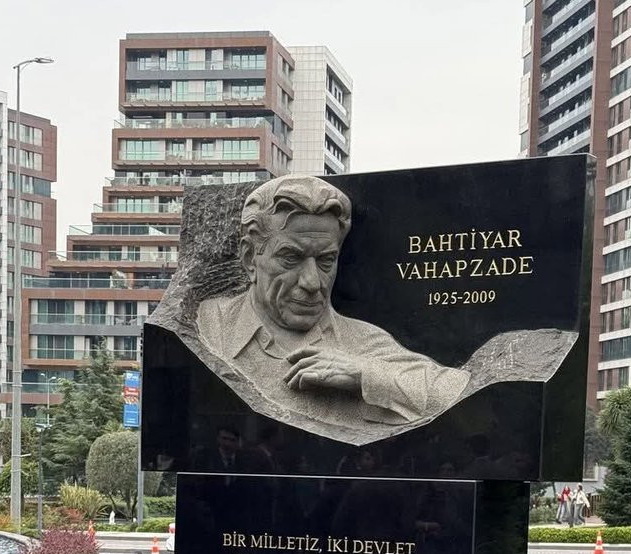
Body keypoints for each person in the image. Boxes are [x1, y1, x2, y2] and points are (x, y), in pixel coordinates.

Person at [195, 176, 470, 436]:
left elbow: (459, 393)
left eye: (326, 261)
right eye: (291, 257)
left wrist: (366, 375)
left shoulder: (361, 343)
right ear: (249, 258)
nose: (312, 282)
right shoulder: (208, 325)